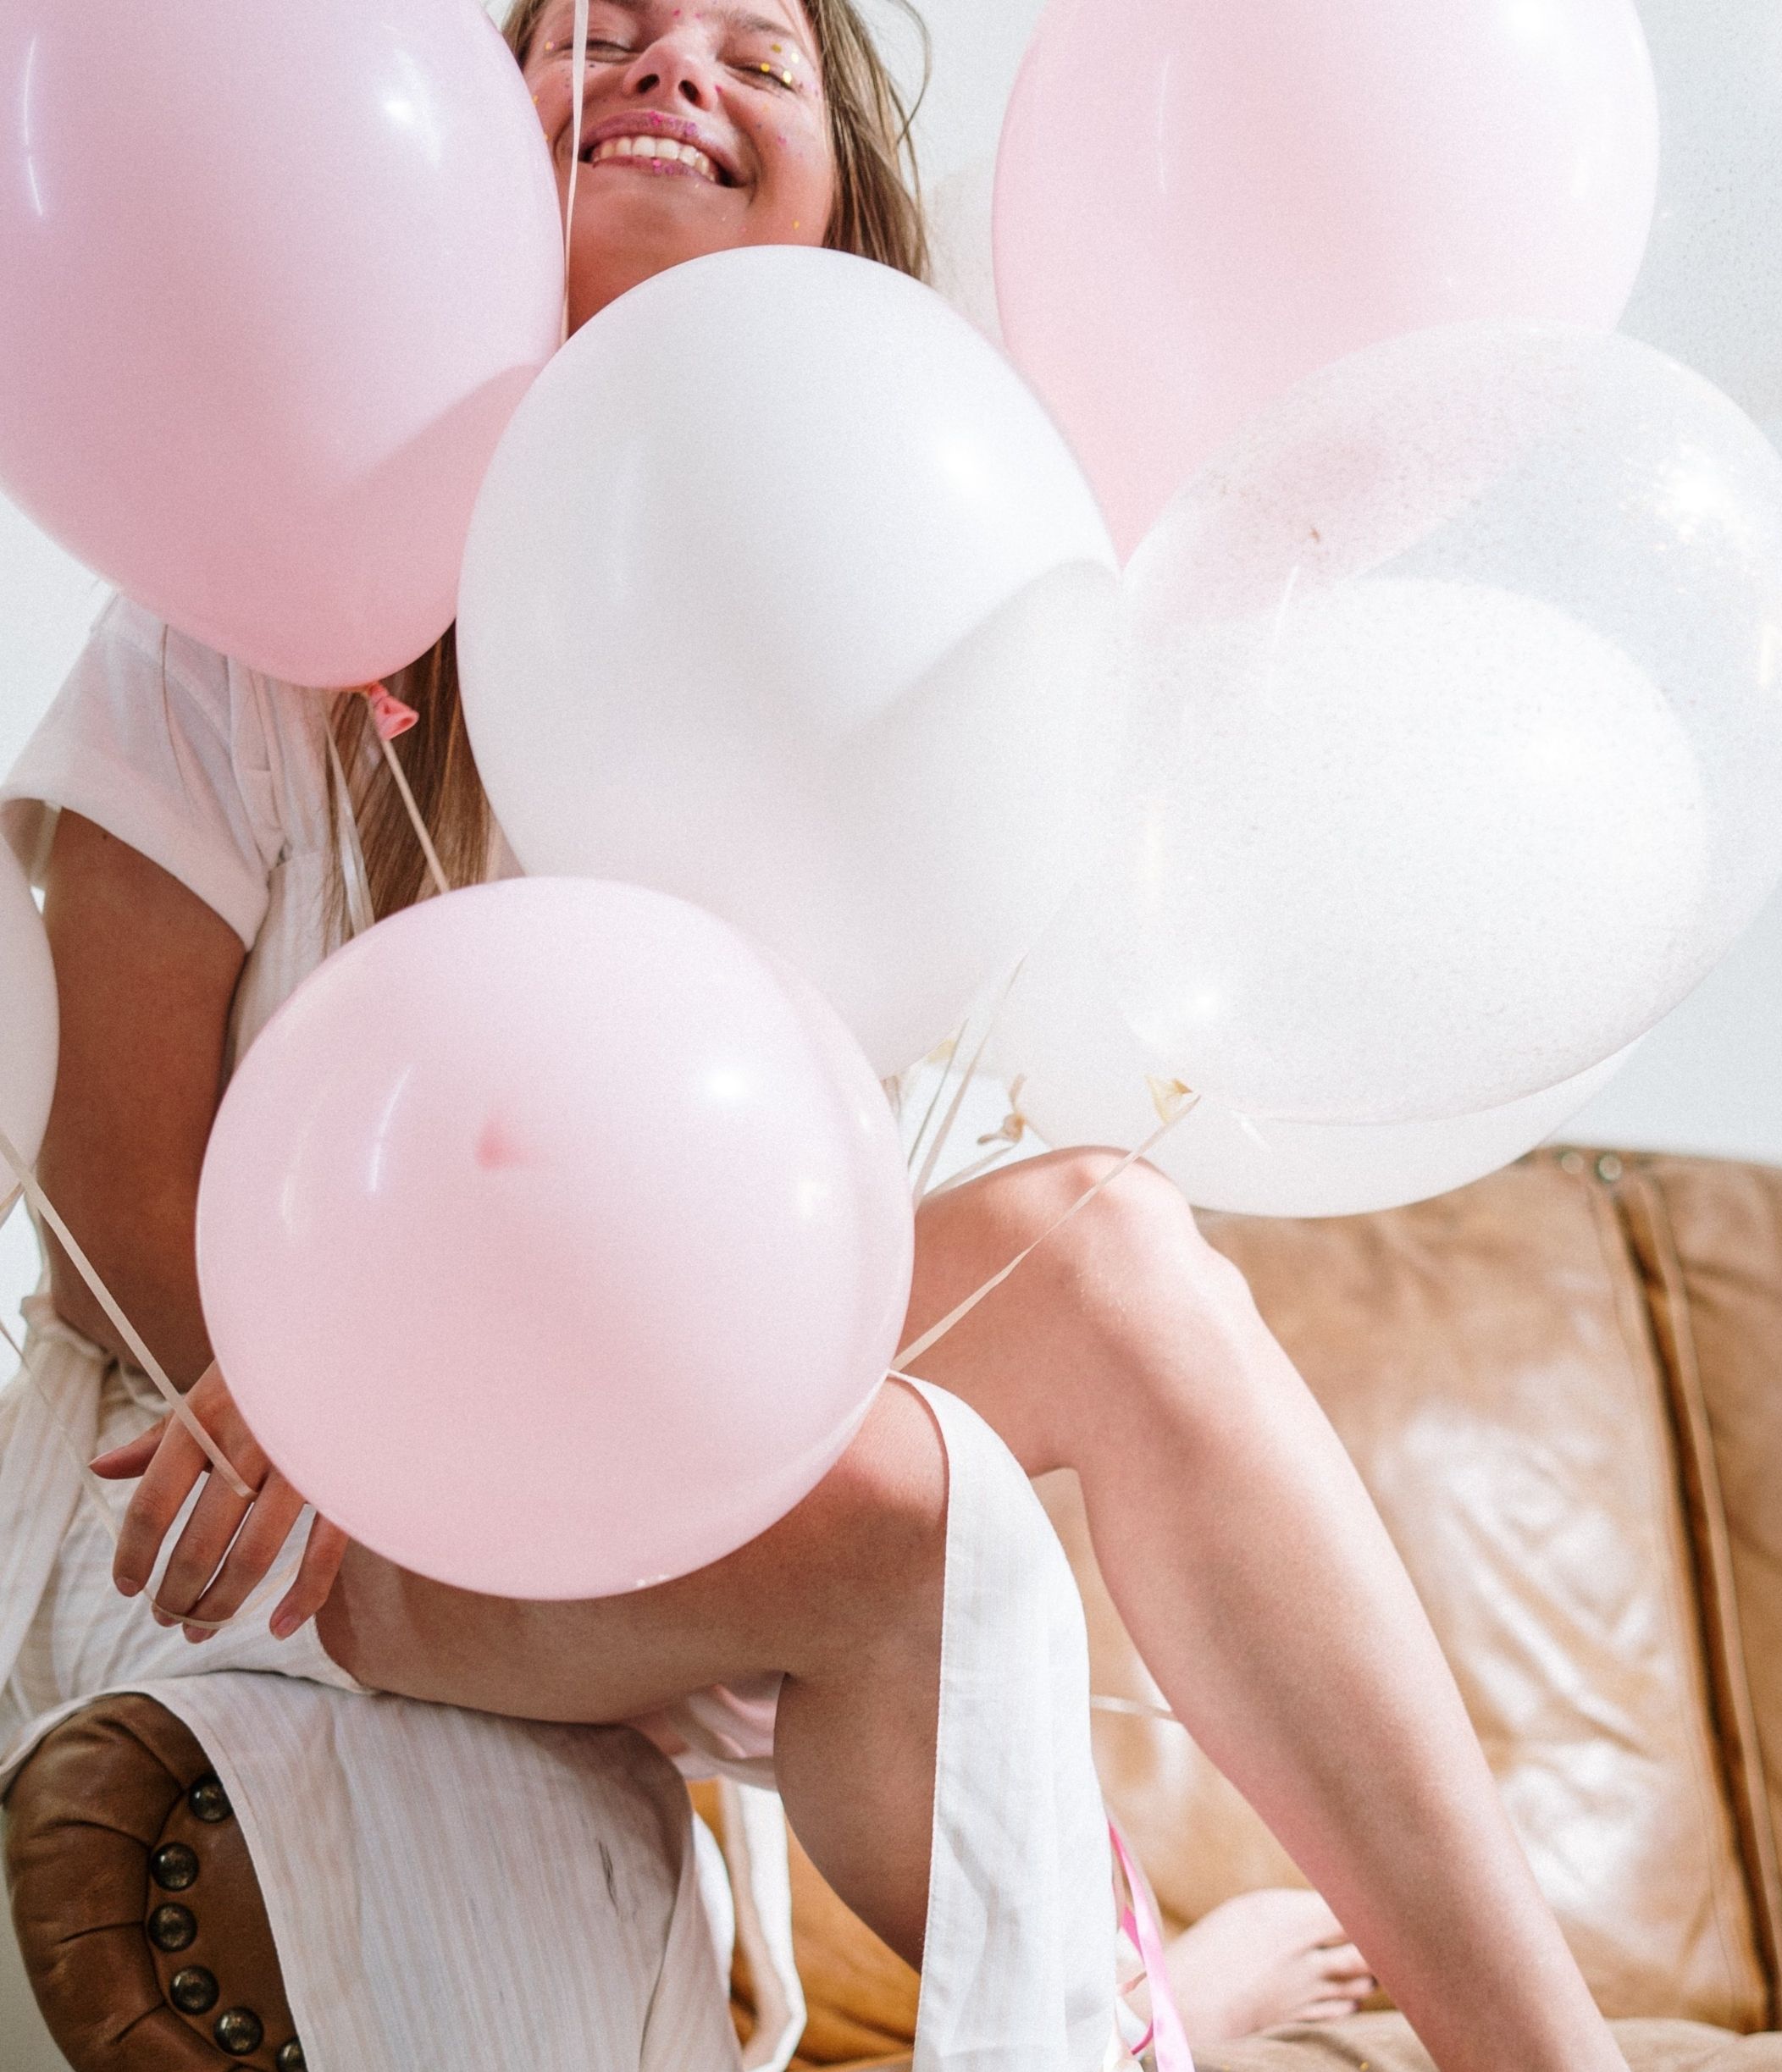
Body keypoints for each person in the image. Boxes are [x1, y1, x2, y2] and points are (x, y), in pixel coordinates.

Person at [0, 4, 1635, 2069]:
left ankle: (1545, 2053)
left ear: (838, 183)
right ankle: (1136, 2015)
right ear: (452, 150)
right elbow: (101, 1181)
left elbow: (772, 1236)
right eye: (606, 28)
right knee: (917, 1524)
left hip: (620, 1458)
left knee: (1117, 1255)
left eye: (756, 53)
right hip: (264, 1520)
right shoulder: (252, 613)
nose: (679, 67)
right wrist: (330, 1386)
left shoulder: (868, 619)